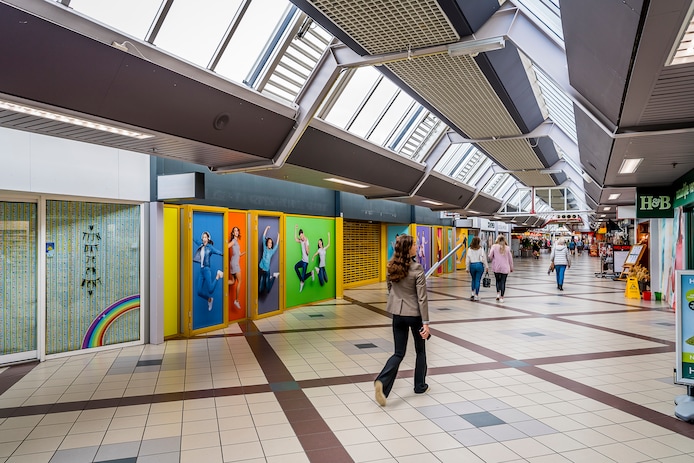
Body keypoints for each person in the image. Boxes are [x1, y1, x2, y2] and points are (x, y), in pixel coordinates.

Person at [374, 234, 430, 407]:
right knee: (420, 350)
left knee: (399, 353)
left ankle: (382, 382)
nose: (416, 246)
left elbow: (390, 288)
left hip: (397, 314)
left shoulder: (391, 266)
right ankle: (419, 385)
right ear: (408, 248)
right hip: (414, 315)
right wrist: (426, 324)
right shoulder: (417, 268)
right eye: (414, 244)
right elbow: (422, 298)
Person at [193, 231, 224, 311]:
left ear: (208, 238)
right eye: (203, 237)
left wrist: (224, 254)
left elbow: (218, 252)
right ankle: (209, 299)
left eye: (205, 237)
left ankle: (218, 275)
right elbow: (195, 239)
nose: (204, 239)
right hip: (201, 271)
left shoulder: (210, 247)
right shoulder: (201, 245)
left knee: (210, 290)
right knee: (199, 292)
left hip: (207, 269)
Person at [488, 235, 513, 303]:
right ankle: (502, 297)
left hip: (496, 267)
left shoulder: (494, 246)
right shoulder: (507, 248)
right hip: (505, 268)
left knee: (497, 281)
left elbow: (490, 256)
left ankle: (498, 294)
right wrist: (511, 267)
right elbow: (510, 259)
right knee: (503, 282)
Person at [465, 236, 489, 301]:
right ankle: (476, 295)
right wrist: (486, 266)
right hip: (479, 265)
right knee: (477, 280)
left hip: (472, 265)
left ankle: (472, 293)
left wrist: (467, 268)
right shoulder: (481, 249)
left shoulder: (469, 249)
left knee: (473, 279)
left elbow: (467, 259)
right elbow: (484, 258)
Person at [259, 225, 280, 295]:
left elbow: (277, 245)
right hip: (262, 270)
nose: (270, 244)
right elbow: (263, 236)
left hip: (267, 271)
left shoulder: (272, 251)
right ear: (267, 243)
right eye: (269, 242)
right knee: (260, 290)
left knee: (267, 290)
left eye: (271, 243)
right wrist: (266, 228)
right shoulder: (265, 247)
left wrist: (278, 237)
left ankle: (273, 276)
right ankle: (269, 278)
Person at [227, 226, 245, 309]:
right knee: (240, 281)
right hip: (234, 264)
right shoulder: (234, 241)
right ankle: (236, 301)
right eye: (235, 231)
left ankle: (223, 283)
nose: (237, 232)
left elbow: (239, 254)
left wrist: (246, 251)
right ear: (233, 233)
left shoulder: (236, 242)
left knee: (233, 281)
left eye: (237, 230)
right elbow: (227, 246)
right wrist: (226, 243)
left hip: (233, 263)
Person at [294, 225, 312, 292]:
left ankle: (302, 282)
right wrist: (295, 229)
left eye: (302, 235)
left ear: (303, 234)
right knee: (295, 267)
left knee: (303, 276)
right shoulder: (301, 240)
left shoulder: (306, 241)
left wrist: (305, 244)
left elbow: (307, 253)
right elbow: (295, 239)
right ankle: (310, 274)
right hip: (302, 260)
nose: (301, 237)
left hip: (306, 262)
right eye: (300, 236)